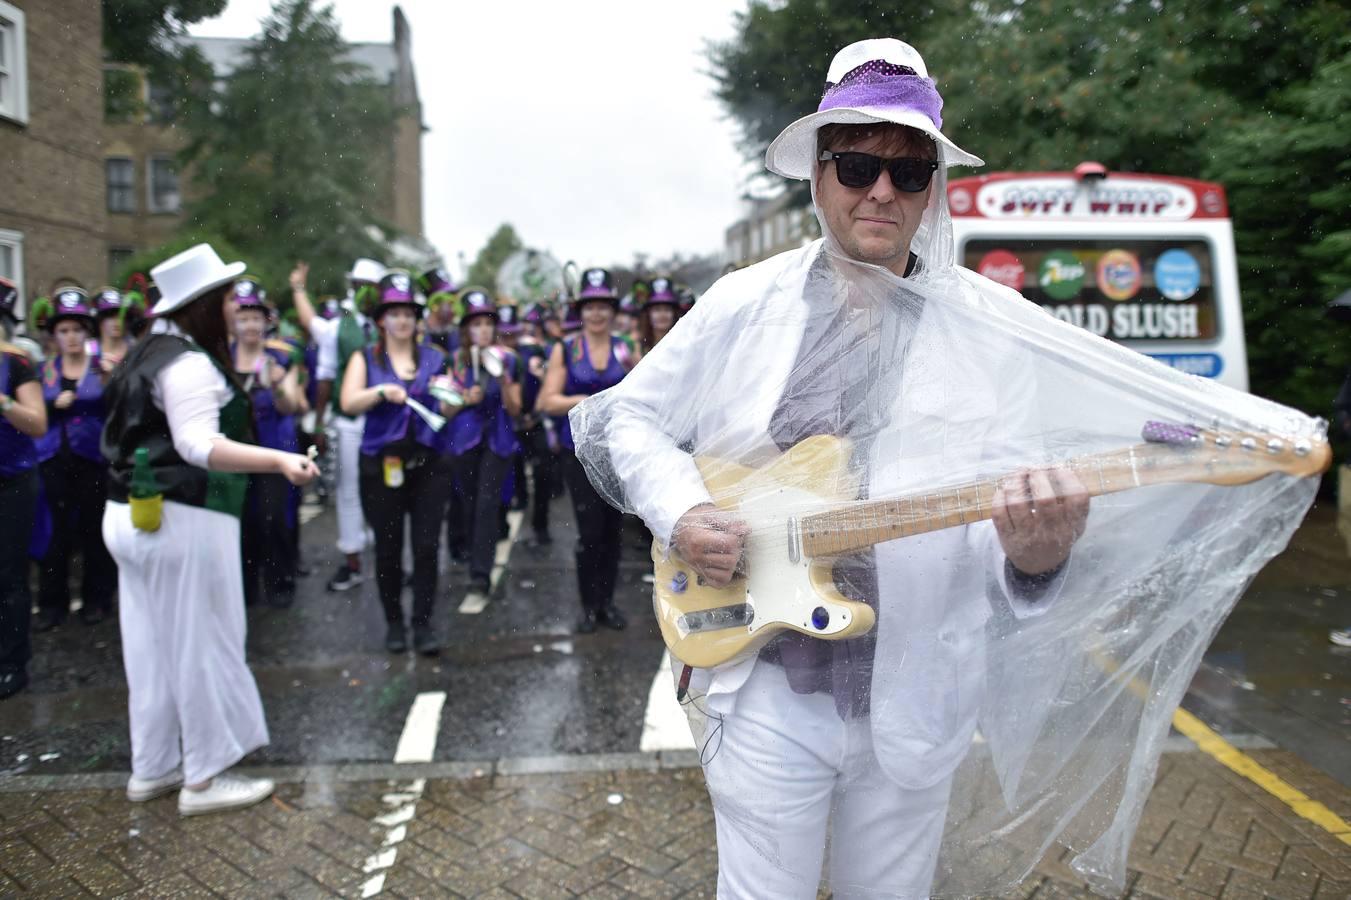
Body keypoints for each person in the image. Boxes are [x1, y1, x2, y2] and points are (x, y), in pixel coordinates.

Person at [572, 39, 1095, 897]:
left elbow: (1004, 511)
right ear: (817, 175)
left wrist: (1035, 559)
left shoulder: (992, 328)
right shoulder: (745, 303)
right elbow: (624, 416)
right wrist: (682, 513)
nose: (881, 190)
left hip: (917, 691)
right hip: (767, 680)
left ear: (932, 192)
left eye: (909, 171)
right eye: (855, 165)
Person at [101, 243, 317, 815]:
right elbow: (197, 444)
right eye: (225, 298)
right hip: (182, 517)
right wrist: (278, 460)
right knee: (202, 642)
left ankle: (154, 768)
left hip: (129, 514)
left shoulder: (145, 352)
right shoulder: (189, 362)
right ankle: (203, 777)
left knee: (149, 647)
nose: (232, 308)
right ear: (202, 304)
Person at [340, 271, 452, 656]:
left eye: (408, 313)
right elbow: (348, 402)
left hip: (428, 464)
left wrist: (455, 396)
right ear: (381, 320)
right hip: (380, 466)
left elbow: (448, 404)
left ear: (417, 319)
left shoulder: (435, 357)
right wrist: (378, 392)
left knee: (425, 547)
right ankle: (393, 623)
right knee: (387, 548)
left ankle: (422, 624)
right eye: (394, 313)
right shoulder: (365, 358)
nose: (402, 320)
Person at [538, 268, 636, 633]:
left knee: (613, 531)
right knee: (589, 531)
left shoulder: (625, 347)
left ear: (612, 310)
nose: (597, 314)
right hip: (576, 454)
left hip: (616, 451)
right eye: (590, 306)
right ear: (581, 310)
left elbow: (644, 392)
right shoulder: (565, 349)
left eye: (603, 306)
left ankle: (608, 603)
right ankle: (588, 606)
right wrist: (583, 402)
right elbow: (547, 401)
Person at [291, 258, 382, 592]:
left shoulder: (392, 322)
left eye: (372, 288)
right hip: (350, 423)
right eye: (360, 286)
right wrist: (319, 423)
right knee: (348, 490)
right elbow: (326, 376)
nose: (365, 294)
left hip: (387, 423)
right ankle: (353, 559)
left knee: (387, 489)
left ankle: (391, 558)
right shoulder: (339, 327)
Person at [33, 288, 117, 630]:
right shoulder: (43, 370)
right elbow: (32, 412)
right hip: (52, 459)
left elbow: (119, 412)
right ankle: (52, 603)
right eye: (63, 330)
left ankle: (97, 600)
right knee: (54, 534)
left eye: (76, 330)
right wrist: (54, 405)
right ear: (54, 335)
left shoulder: (102, 368)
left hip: (92, 460)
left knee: (94, 532)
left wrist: (113, 384)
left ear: (87, 332)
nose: (70, 337)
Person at [231, 277, 306, 608]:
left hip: (276, 445)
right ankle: (246, 587)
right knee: (243, 518)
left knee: (274, 516)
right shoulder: (222, 357)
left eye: (255, 319)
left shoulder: (281, 358)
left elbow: (290, 405)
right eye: (243, 318)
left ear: (266, 322)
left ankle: (280, 581)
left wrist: (277, 386)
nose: (250, 325)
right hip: (236, 449)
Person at [443, 290, 522, 601]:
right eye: (475, 324)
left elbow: (516, 408)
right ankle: (467, 552)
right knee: (468, 502)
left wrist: (502, 379)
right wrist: (464, 398)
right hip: (464, 439)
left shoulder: (509, 358)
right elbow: (444, 409)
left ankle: (480, 573)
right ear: (466, 329)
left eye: (487, 324)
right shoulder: (455, 361)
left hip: (498, 438)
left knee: (488, 504)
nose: (483, 330)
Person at [0, 277, 47, 698]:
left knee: (10, 575)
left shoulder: (17, 362)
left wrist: (2, 402)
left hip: (11, 481)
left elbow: (37, 423)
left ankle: (13, 663)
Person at [638, 275, 680, 353]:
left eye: (667, 310)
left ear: (674, 314)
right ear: (648, 314)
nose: (662, 314)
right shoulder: (636, 349)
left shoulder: (684, 344)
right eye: (657, 310)